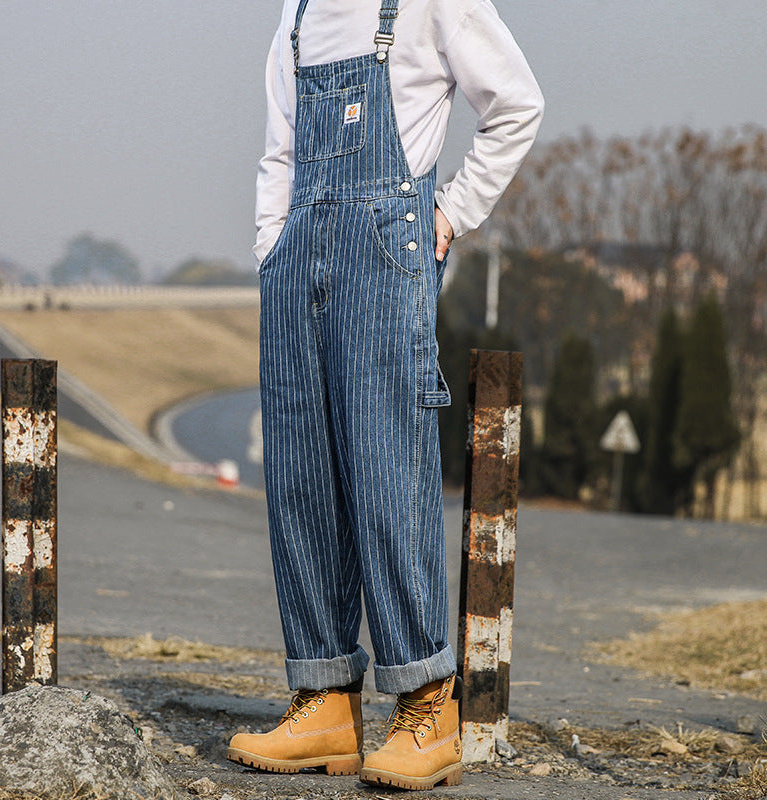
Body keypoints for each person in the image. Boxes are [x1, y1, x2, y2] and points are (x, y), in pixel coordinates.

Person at [228, 0, 543, 790]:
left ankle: (427, 704)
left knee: (384, 474)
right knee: (301, 480)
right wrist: (272, 248)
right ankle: (325, 700)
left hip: (387, 255)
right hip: (294, 261)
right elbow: (278, 153)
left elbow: (517, 103)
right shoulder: (295, 15)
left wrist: (451, 209)